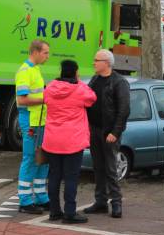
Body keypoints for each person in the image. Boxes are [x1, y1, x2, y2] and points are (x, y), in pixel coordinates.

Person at [42, 60, 97, 223]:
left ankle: (54, 211)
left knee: (54, 177)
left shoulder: (50, 87)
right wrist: (78, 81)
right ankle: (70, 213)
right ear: (75, 72)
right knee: (71, 178)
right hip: (72, 141)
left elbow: (44, 99)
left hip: (52, 139)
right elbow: (92, 98)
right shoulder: (80, 89)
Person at [83, 49, 130, 218]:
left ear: (107, 63)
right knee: (98, 167)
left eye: (97, 60)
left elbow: (124, 110)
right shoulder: (95, 80)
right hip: (95, 129)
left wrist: (115, 132)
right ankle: (100, 201)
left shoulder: (119, 82)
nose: (94, 62)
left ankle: (116, 203)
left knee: (111, 168)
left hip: (109, 132)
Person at [15, 39, 51, 214]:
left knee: (42, 158)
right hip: (30, 119)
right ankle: (25, 201)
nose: (47, 56)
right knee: (30, 158)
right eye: (45, 53)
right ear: (35, 52)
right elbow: (22, 100)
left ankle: (41, 197)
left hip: (39, 120)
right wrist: (45, 99)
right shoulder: (25, 71)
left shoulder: (35, 69)